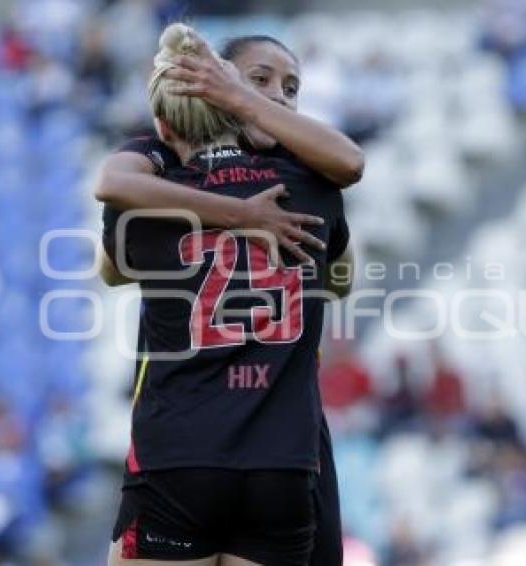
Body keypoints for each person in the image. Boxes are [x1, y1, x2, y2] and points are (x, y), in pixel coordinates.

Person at [96, 31, 362, 566]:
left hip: (184, 447)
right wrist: (245, 218)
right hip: (282, 454)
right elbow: (340, 278)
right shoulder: (313, 187)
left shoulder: (155, 183)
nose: (278, 97)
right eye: (259, 81)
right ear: (214, 85)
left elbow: (113, 267)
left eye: (291, 88)